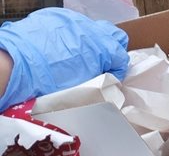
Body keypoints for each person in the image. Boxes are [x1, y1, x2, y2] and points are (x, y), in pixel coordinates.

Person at [0, 7, 129, 112]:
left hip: (17, 48)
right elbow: (113, 83)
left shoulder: (56, 14)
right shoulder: (109, 51)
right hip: (26, 69)